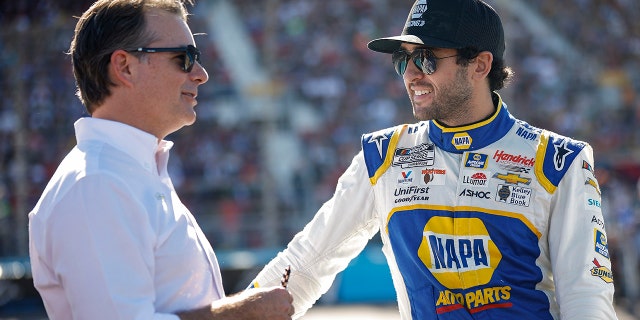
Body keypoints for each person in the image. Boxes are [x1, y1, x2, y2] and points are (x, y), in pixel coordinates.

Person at [249, 0, 618, 319]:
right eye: (402, 60)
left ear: (480, 64)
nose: (410, 74)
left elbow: (586, 299)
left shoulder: (558, 161)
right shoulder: (383, 157)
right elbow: (306, 263)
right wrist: (235, 311)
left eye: (425, 58)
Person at [27, 0, 294, 319]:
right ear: (125, 67)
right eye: (184, 58)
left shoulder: (124, 172)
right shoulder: (98, 184)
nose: (202, 74)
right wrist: (240, 314)